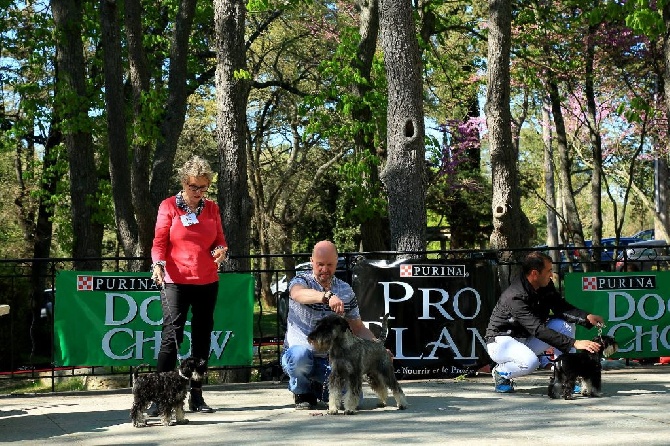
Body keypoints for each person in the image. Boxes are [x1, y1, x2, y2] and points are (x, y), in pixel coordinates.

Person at [150, 155, 228, 413]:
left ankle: (197, 395)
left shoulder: (212, 208)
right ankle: (161, 397)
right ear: (184, 182)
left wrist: (221, 250)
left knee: (202, 338)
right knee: (171, 338)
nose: (198, 192)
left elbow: (219, 239)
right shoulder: (169, 206)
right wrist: (158, 264)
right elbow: (159, 242)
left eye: (203, 188)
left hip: (207, 280)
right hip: (176, 281)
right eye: (193, 187)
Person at [485, 251, 605, 393]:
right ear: (535, 273)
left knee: (565, 325)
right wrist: (574, 343)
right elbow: (537, 329)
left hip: (527, 338)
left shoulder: (545, 286)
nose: (551, 275)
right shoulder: (515, 296)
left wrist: (586, 317)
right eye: (549, 271)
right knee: (530, 363)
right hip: (501, 342)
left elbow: (560, 307)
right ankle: (500, 372)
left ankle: (566, 377)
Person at [281, 240, 379, 410]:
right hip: (301, 356)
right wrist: (326, 296)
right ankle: (303, 392)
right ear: (312, 261)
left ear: (336, 262)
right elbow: (298, 294)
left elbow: (358, 328)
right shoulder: (301, 280)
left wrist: (378, 347)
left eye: (329, 264)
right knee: (299, 356)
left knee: (354, 401)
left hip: (331, 360)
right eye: (320, 264)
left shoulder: (346, 290)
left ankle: (320, 387)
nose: (325, 269)